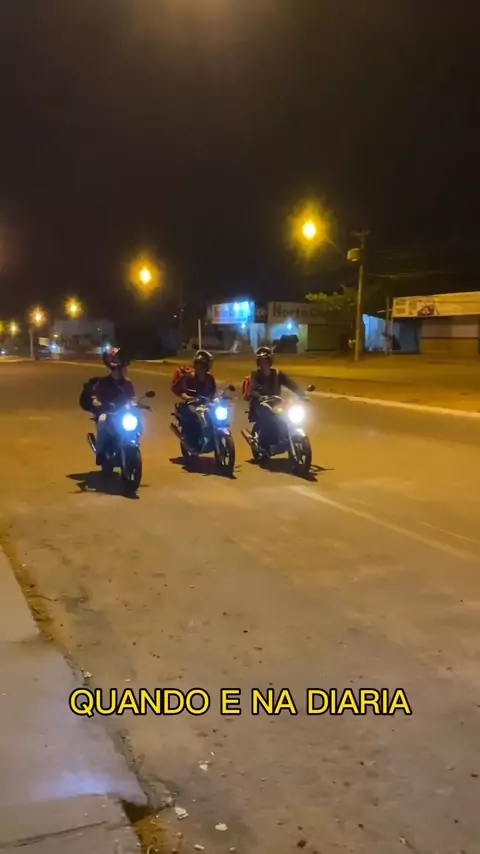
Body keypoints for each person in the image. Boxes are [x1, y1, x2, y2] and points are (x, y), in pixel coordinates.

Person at [80, 347, 135, 465]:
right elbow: (95, 397)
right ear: (116, 369)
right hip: (108, 414)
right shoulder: (103, 383)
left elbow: (132, 398)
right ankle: (100, 453)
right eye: (124, 368)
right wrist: (96, 402)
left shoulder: (128, 384)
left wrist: (137, 403)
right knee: (102, 421)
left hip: (122, 414)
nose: (126, 370)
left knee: (137, 421)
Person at [245, 346, 306, 448]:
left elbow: (290, 384)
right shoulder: (255, 375)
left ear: (270, 361)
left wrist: (302, 395)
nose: (264, 364)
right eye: (261, 361)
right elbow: (253, 389)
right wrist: (260, 396)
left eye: (266, 361)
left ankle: (284, 436)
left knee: (287, 415)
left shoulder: (277, 373)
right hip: (260, 404)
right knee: (268, 417)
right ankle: (263, 443)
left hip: (276, 402)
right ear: (258, 362)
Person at [171, 350, 217, 451]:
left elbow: (213, 393)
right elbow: (182, 392)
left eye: (203, 365)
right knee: (195, 416)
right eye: (199, 365)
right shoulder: (188, 377)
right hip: (192, 404)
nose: (200, 368)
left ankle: (211, 436)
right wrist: (188, 398)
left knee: (216, 416)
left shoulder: (210, 378)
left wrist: (217, 399)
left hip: (205, 404)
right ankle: (194, 442)